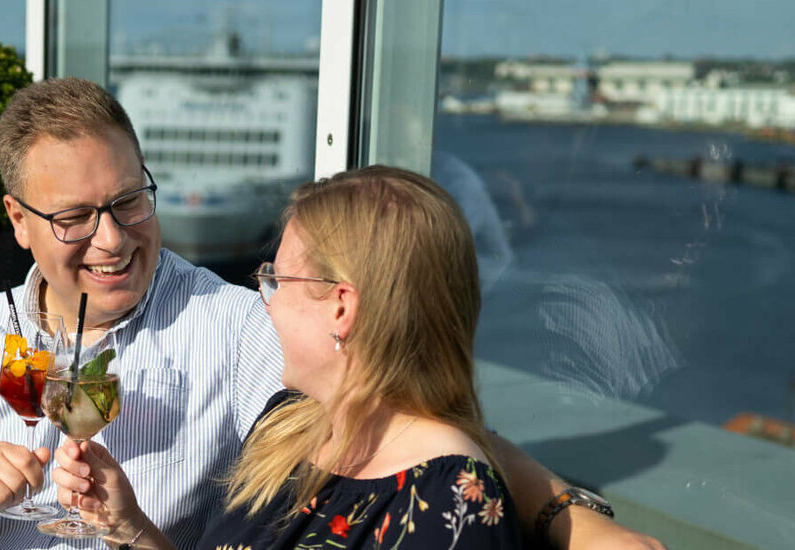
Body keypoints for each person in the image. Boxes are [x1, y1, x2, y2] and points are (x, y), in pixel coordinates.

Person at [0, 78, 661, 550]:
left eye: (129, 199)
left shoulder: (233, 326)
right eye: (75, 218)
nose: (114, 238)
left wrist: (565, 515)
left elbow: (395, 408)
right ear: (18, 221)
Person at [49, 165, 519, 549]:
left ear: (341, 307)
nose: (265, 299)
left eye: (277, 279)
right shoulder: (287, 426)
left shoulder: (451, 503)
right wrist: (127, 524)